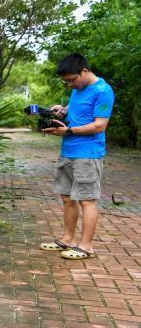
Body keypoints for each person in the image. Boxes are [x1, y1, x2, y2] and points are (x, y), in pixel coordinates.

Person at [39, 54, 115, 260]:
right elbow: (75, 112)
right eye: (66, 81)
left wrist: (69, 131)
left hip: (88, 155)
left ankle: (86, 246)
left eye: (71, 80)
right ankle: (68, 240)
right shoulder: (78, 89)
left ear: (84, 71)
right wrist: (61, 111)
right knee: (67, 198)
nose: (70, 85)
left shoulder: (103, 91)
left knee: (87, 200)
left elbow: (100, 125)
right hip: (68, 152)